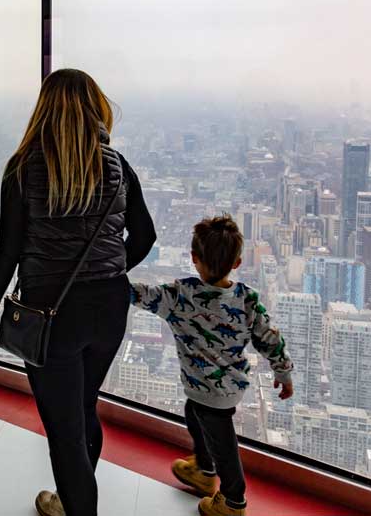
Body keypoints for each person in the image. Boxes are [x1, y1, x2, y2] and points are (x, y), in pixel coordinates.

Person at [0, 68, 157, 516]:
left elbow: (9, 247)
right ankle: (70, 500)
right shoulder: (118, 167)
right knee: (83, 405)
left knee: (65, 431)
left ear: (45, 110)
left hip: (50, 311)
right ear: (96, 107)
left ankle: (77, 507)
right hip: (110, 308)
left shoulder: (24, 166)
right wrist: (111, 273)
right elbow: (145, 236)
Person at [130, 215, 294, 516]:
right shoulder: (246, 299)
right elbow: (270, 338)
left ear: (194, 259)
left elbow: (144, 295)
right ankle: (204, 472)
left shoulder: (182, 295)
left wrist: (109, 281)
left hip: (210, 389)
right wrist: (283, 372)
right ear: (237, 263)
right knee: (193, 414)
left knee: (223, 443)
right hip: (222, 387)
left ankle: (234, 501)